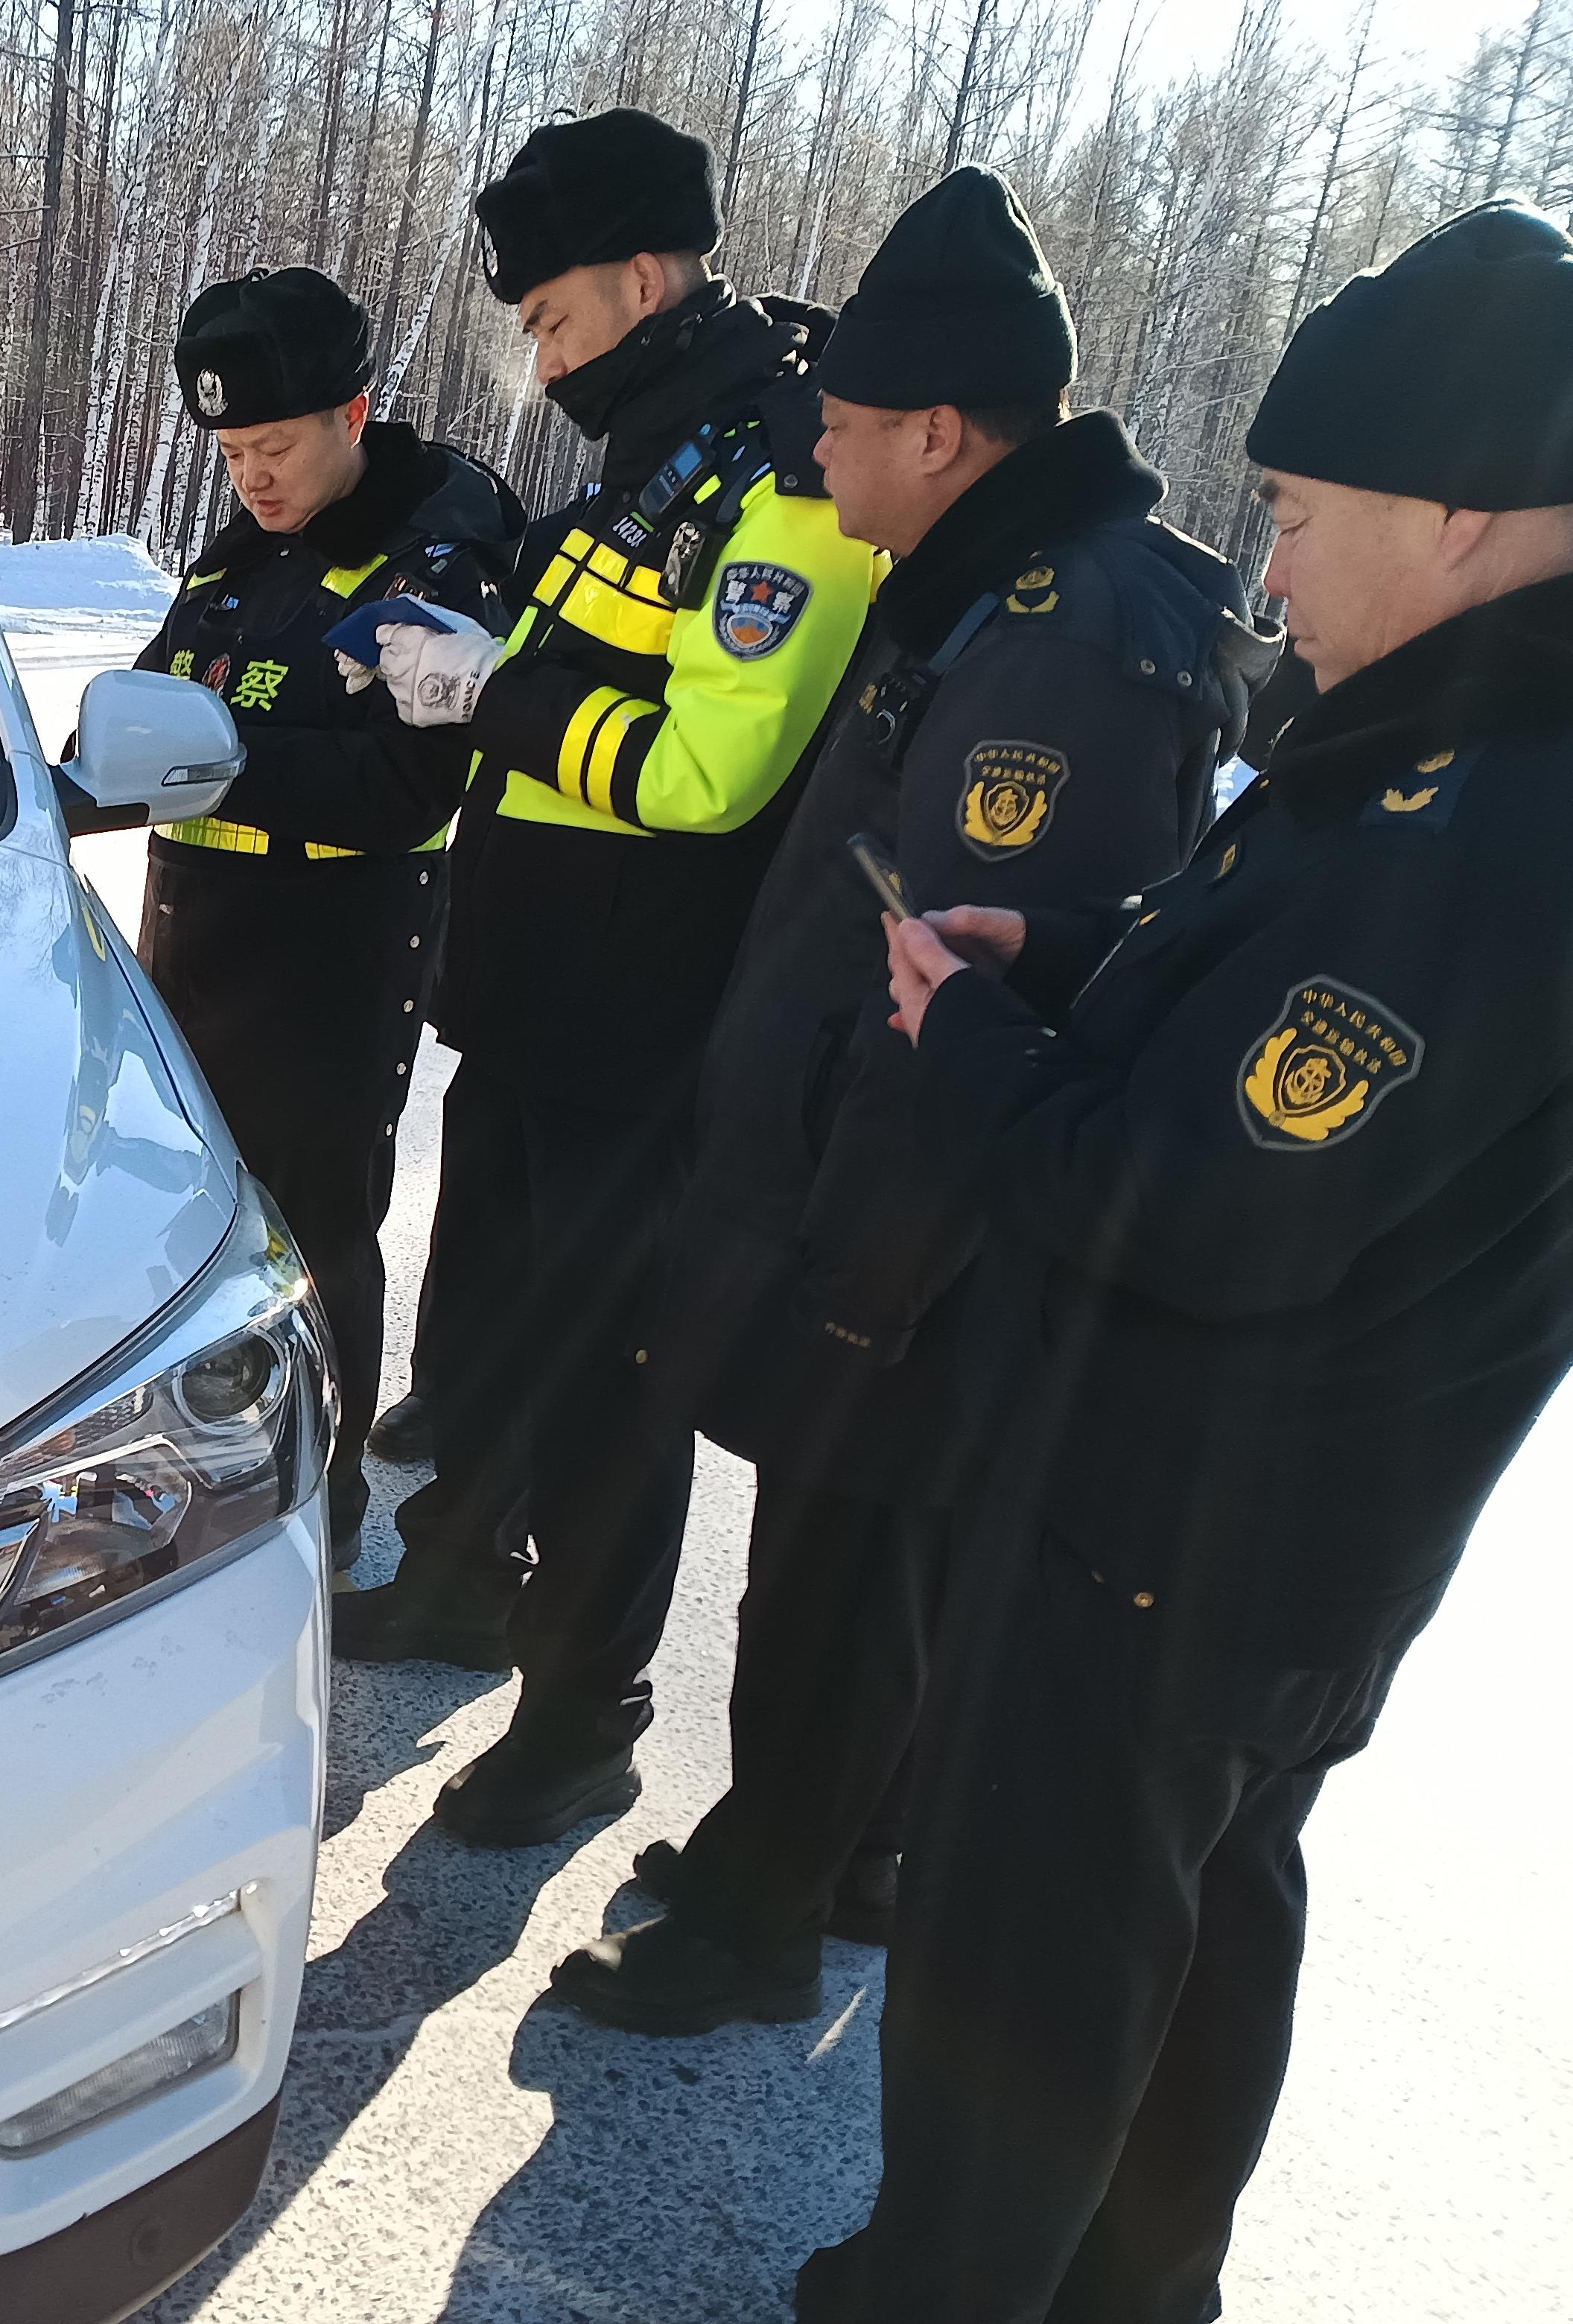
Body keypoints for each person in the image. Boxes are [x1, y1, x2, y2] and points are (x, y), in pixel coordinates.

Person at [796, 200, 1573, 2320]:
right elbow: (1252, 993)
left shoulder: (1494, 816)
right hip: (1277, 1542)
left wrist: (969, 1045)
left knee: (1028, 1966)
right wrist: (1064, 952)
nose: (1277, 571)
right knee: (1204, 1920)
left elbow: (1205, 1203)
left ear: (1463, 510)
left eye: (1303, 515)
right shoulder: (1430, 737)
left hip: (1171, 1535)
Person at [543, 168, 1275, 2034]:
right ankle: (821, 1844)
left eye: (848, 425)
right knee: (853, 1567)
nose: (821, 454)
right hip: (874, 1194)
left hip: (909, 1228)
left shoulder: (1057, 643)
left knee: (836, 1575)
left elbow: (955, 994)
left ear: (940, 432)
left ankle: (759, 1918)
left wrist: (869, 1272)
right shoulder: (987, 588)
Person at [332, 110, 883, 1794]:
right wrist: (461, 649)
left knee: (607, 1392)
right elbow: (585, 656)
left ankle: (584, 1719)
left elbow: (713, 771)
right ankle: (462, 1577)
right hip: (531, 1002)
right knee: (496, 1336)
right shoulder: (654, 452)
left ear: (648, 277)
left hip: (640, 1033)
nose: (545, 355)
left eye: (555, 316)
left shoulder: (783, 477)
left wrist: (490, 692)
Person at [127, 265, 520, 1566]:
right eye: (232, 451)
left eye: (277, 446)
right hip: (196, 949)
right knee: (196, 1232)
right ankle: (196, 1477)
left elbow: (412, 784)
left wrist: (219, 755)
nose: (252, 474)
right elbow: (156, 694)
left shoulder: (434, 552)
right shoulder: (244, 554)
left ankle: (324, 1508)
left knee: (313, 1239)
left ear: (353, 415)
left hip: (330, 960)